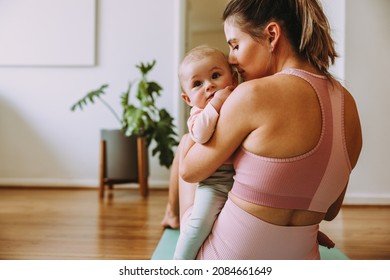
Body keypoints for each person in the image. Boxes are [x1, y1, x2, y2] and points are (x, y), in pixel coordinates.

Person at [177, 0, 362, 259]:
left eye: (235, 45)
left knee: (187, 142)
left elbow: (188, 171)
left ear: (271, 35)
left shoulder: (250, 95)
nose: (231, 59)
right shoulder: (348, 104)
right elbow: (330, 210)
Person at [171, 45, 238, 259]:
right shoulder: (198, 114)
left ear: (233, 79)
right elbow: (201, 135)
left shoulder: (239, 103)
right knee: (197, 226)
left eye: (215, 76)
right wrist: (216, 103)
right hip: (215, 184)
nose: (209, 86)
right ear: (188, 99)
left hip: (240, 183)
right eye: (197, 84)